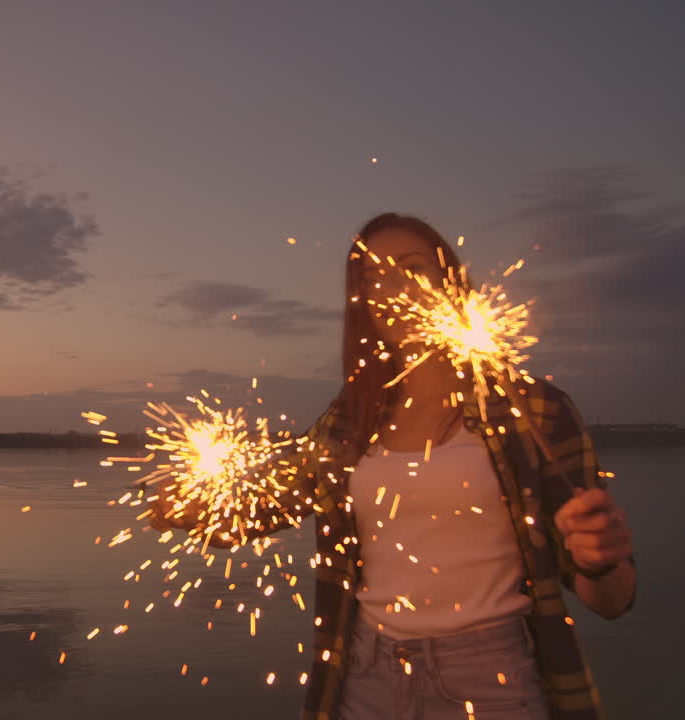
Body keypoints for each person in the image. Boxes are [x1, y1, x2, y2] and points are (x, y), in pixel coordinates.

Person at [148, 213, 636, 720]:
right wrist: (182, 507)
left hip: (491, 678)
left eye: (413, 267)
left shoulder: (532, 410)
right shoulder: (348, 422)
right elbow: (265, 507)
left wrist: (599, 559)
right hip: (366, 673)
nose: (395, 288)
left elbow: (610, 599)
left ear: (451, 281)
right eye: (375, 278)